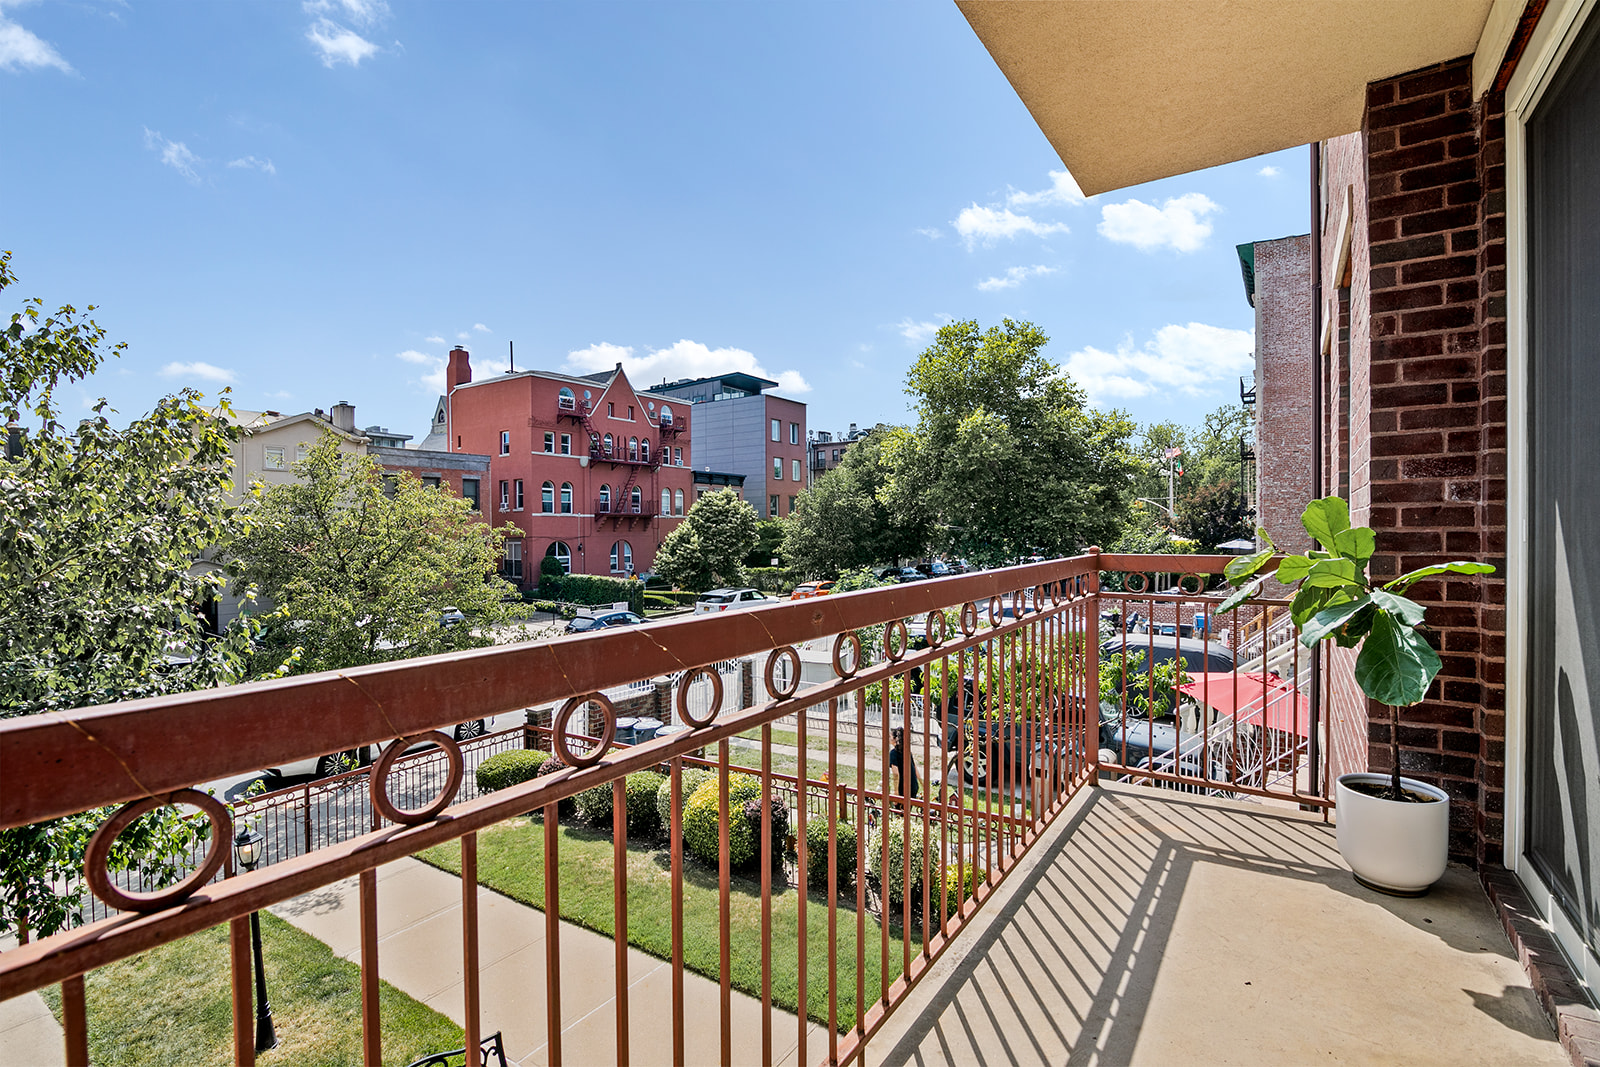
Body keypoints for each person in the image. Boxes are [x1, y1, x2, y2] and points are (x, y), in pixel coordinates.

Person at [888, 727, 919, 799]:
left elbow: (896, 774)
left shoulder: (893, 753)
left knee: (899, 809)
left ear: (895, 739)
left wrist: (896, 792)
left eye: (890, 737)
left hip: (903, 788)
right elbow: (914, 768)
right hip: (913, 787)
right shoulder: (907, 751)